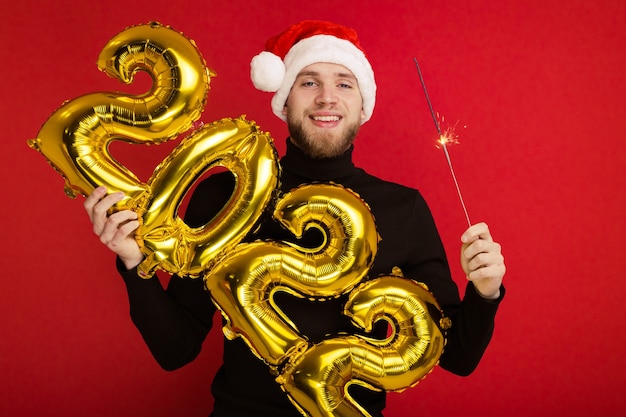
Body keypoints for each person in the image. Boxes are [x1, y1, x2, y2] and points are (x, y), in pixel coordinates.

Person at [84, 20, 505, 417]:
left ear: (363, 107)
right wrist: (132, 262)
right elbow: (175, 349)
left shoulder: (403, 208)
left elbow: (458, 358)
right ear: (283, 100)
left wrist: (485, 292)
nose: (326, 97)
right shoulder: (224, 196)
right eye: (309, 82)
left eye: (344, 83)